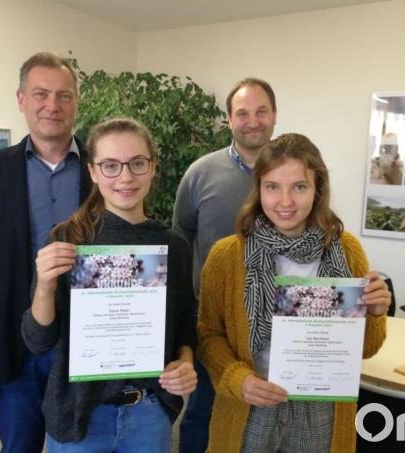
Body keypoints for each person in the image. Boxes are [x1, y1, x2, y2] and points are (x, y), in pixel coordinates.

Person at [197, 133, 391, 452]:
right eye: (273, 187)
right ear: (258, 189)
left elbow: (366, 350)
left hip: (321, 411)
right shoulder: (227, 256)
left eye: (299, 187)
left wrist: (375, 312)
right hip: (250, 405)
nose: (285, 201)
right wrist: (237, 379)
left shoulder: (346, 251)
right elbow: (208, 336)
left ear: (317, 190)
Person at [22, 117, 198, 452]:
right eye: (110, 165)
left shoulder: (173, 245)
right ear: (92, 171)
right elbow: (37, 341)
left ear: (153, 167)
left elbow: (185, 324)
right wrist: (45, 286)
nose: (126, 177)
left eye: (137, 163)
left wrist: (186, 361)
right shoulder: (68, 239)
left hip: (149, 411)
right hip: (81, 414)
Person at [0, 52, 90, 453]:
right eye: (41, 94)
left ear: (76, 102)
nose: (53, 105)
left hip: (86, 342)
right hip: (17, 344)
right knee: (18, 446)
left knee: (85, 446)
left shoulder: (103, 169)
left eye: (64, 95)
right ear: (21, 99)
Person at [172, 77, 276, 453]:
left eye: (261, 111)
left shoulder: (292, 172)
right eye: (243, 113)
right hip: (213, 322)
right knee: (204, 411)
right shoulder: (200, 173)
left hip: (277, 318)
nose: (253, 121)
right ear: (229, 119)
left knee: (267, 408)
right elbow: (181, 238)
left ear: (274, 115)